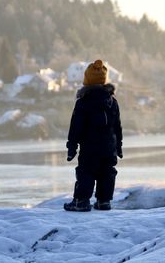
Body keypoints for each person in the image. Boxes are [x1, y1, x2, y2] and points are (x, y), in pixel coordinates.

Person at [64, 59, 123, 212]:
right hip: (109, 146)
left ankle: (81, 201)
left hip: (90, 146)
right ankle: (104, 202)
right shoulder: (112, 101)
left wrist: (71, 148)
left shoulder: (83, 102)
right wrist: (119, 146)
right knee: (107, 172)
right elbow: (117, 126)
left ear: (87, 81)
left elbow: (75, 128)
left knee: (86, 171)